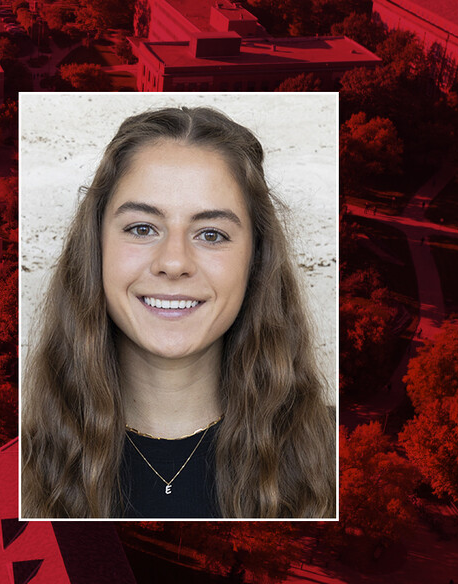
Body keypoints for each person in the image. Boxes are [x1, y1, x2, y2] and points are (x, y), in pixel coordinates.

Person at [21, 106, 335, 519]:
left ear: (255, 261)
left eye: (211, 234)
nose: (173, 262)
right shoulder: (16, 463)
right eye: (142, 228)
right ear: (96, 249)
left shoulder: (335, 454)